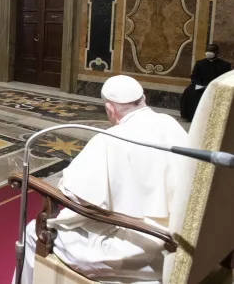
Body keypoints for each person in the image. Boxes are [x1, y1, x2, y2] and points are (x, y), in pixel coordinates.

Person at [14, 75, 188, 284]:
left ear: (110, 109)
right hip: (181, 238)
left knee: (34, 233)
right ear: (143, 99)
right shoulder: (172, 124)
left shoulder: (110, 139)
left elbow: (73, 196)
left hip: (138, 253)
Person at [180, 43, 232, 122]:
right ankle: (191, 116)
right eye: (208, 50)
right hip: (200, 85)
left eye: (211, 50)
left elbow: (226, 78)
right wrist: (198, 84)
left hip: (216, 86)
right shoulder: (199, 63)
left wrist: (213, 85)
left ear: (217, 52)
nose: (209, 52)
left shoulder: (225, 65)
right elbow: (194, 76)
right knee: (189, 91)